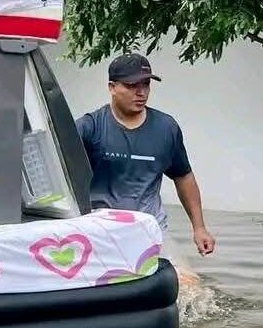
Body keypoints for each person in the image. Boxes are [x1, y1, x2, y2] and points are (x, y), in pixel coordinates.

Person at [76, 54, 216, 259]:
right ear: (112, 87)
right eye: (132, 85)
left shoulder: (166, 128)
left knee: (190, 286)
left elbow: (183, 176)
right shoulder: (89, 127)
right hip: (101, 231)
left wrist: (199, 228)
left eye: (146, 84)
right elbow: (60, 174)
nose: (141, 92)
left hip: (151, 229)